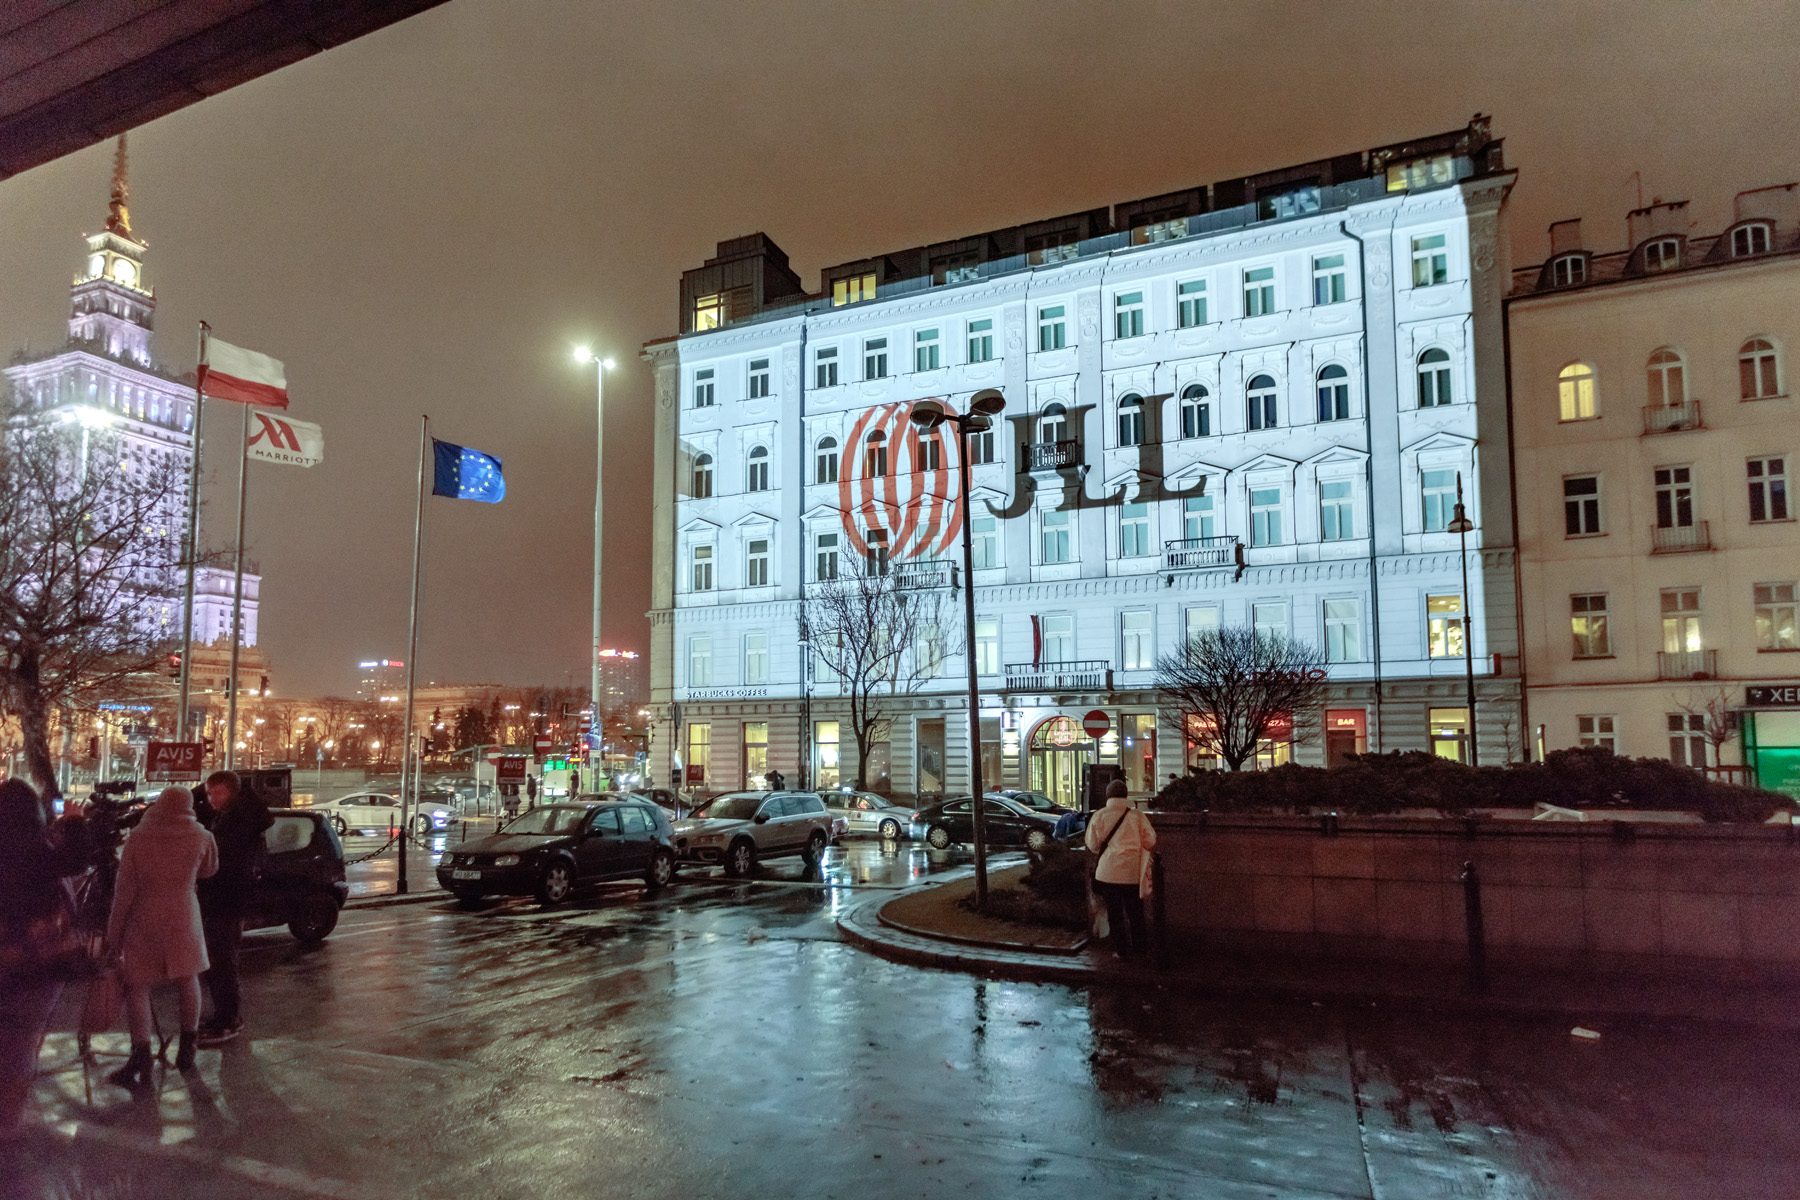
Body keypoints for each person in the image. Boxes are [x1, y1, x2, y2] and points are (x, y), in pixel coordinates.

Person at [104, 785, 218, 1084]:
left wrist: (114, 935)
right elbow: (209, 870)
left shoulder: (139, 837)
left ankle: (140, 1053)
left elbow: (124, 891)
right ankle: (188, 1047)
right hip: (184, 916)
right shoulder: (202, 836)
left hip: (145, 917)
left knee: (138, 986)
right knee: (188, 979)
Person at [0, 779, 89, 1133]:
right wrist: (75, 822)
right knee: (22, 1039)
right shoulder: (39, 853)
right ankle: (8, 1121)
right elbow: (78, 860)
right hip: (38, 961)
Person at [195, 770, 270, 1047]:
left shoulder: (240, 821)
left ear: (231, 792)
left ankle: (228, 1019)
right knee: (218, 962)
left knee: (223, 962)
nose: (210, 798)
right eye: (208, 793)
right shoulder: (229, 817)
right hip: (223, 899)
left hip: (227, 900)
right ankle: (223, 1016)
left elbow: (225, 861)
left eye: (216, 792)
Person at [1084, 780, 1157, 957]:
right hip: (1132, 872)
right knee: (1135, 912)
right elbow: (1150, 841)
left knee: (1114, 913)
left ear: (1108, 795)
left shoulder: (1100, 815)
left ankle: (1121, 951)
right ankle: (1140, 948)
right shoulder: (1137, 816)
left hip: (1108, 873)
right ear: (1125, 795)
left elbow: (1093, 845)